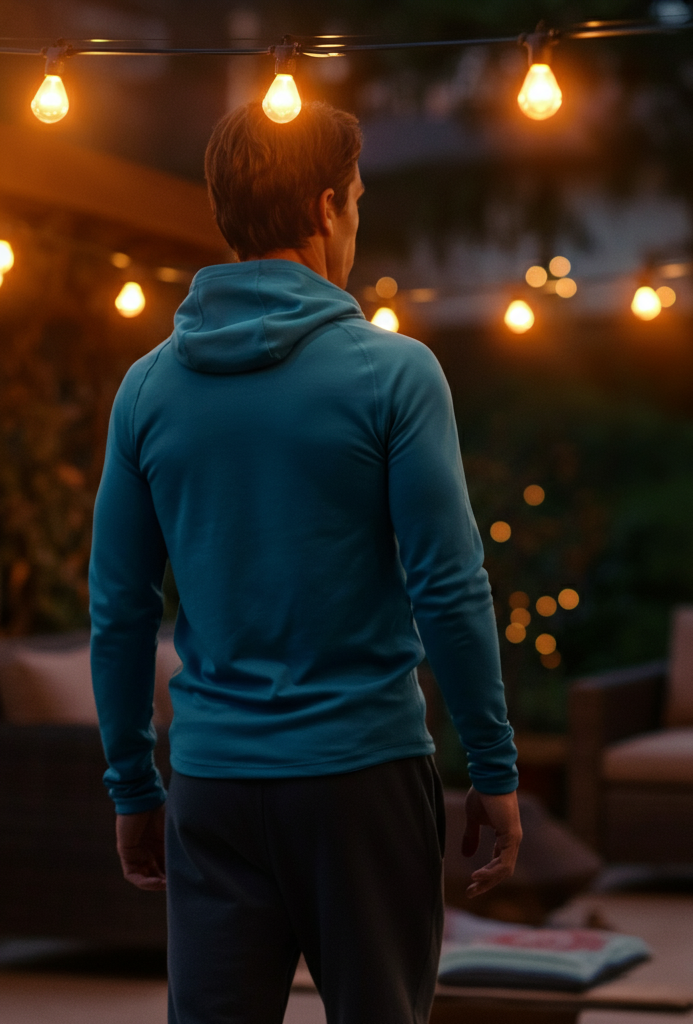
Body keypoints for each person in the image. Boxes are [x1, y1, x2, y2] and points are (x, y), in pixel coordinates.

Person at [88, 100, 521, 1024]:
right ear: (327, 208)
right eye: (358, 200)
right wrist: (493, 764)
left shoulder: (148, 387)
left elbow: (120, 609)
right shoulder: (397, 374)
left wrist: (133, 782)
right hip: (363, 779)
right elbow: (448, 586)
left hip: (213, 785)